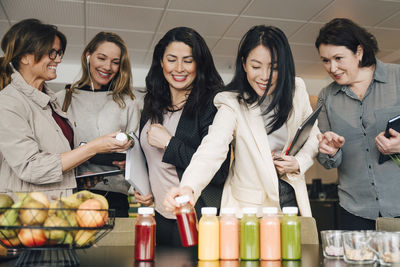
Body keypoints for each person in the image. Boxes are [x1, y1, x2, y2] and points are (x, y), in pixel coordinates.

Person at [164, 25, 319, 217]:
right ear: (244, 64)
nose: (264, 76)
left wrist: (299, 162)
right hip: (250, 206)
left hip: (291, 198)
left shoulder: (297, 90)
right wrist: (189, 187)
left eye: (274, 68)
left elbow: (313, 135)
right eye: (256, 66)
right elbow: (212, 148)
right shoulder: (231, 103)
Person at [0, 19, 131, 198]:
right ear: (24, 56)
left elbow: (60, 159)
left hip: (60, 205)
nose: (59, 59)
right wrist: (93, 148)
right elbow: (30, 167)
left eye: (59, 53)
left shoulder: (50, 103)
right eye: (51, 53)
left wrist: (80, 177)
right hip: (30, 210)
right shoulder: (8, 102)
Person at [134, 27, 230, 246]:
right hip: (158, 214)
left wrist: (169, 143)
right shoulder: (152, 104)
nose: (179, 68)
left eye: (188, 60)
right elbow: (151, 161)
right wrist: (141, 186)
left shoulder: (212, 105)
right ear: (161, 62)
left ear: (200, 64)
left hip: (196, 216)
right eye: (171, 59)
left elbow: (220, 171)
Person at [315, 18, 400, 230]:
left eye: (338, 58)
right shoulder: (327, 97)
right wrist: (330, 151)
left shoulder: (397, 77)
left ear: (359, 52)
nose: (332, 67)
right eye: (325, 60)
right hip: (355, 210)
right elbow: (326, 161)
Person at [56, 32, 140, 217]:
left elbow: (137, 154)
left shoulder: (128, 103)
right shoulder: (62, 100)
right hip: (71, 194)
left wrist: (130, 165)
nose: (107, 67)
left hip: (114, 197)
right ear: (88, 56)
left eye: (115, 62)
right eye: (101, 58)